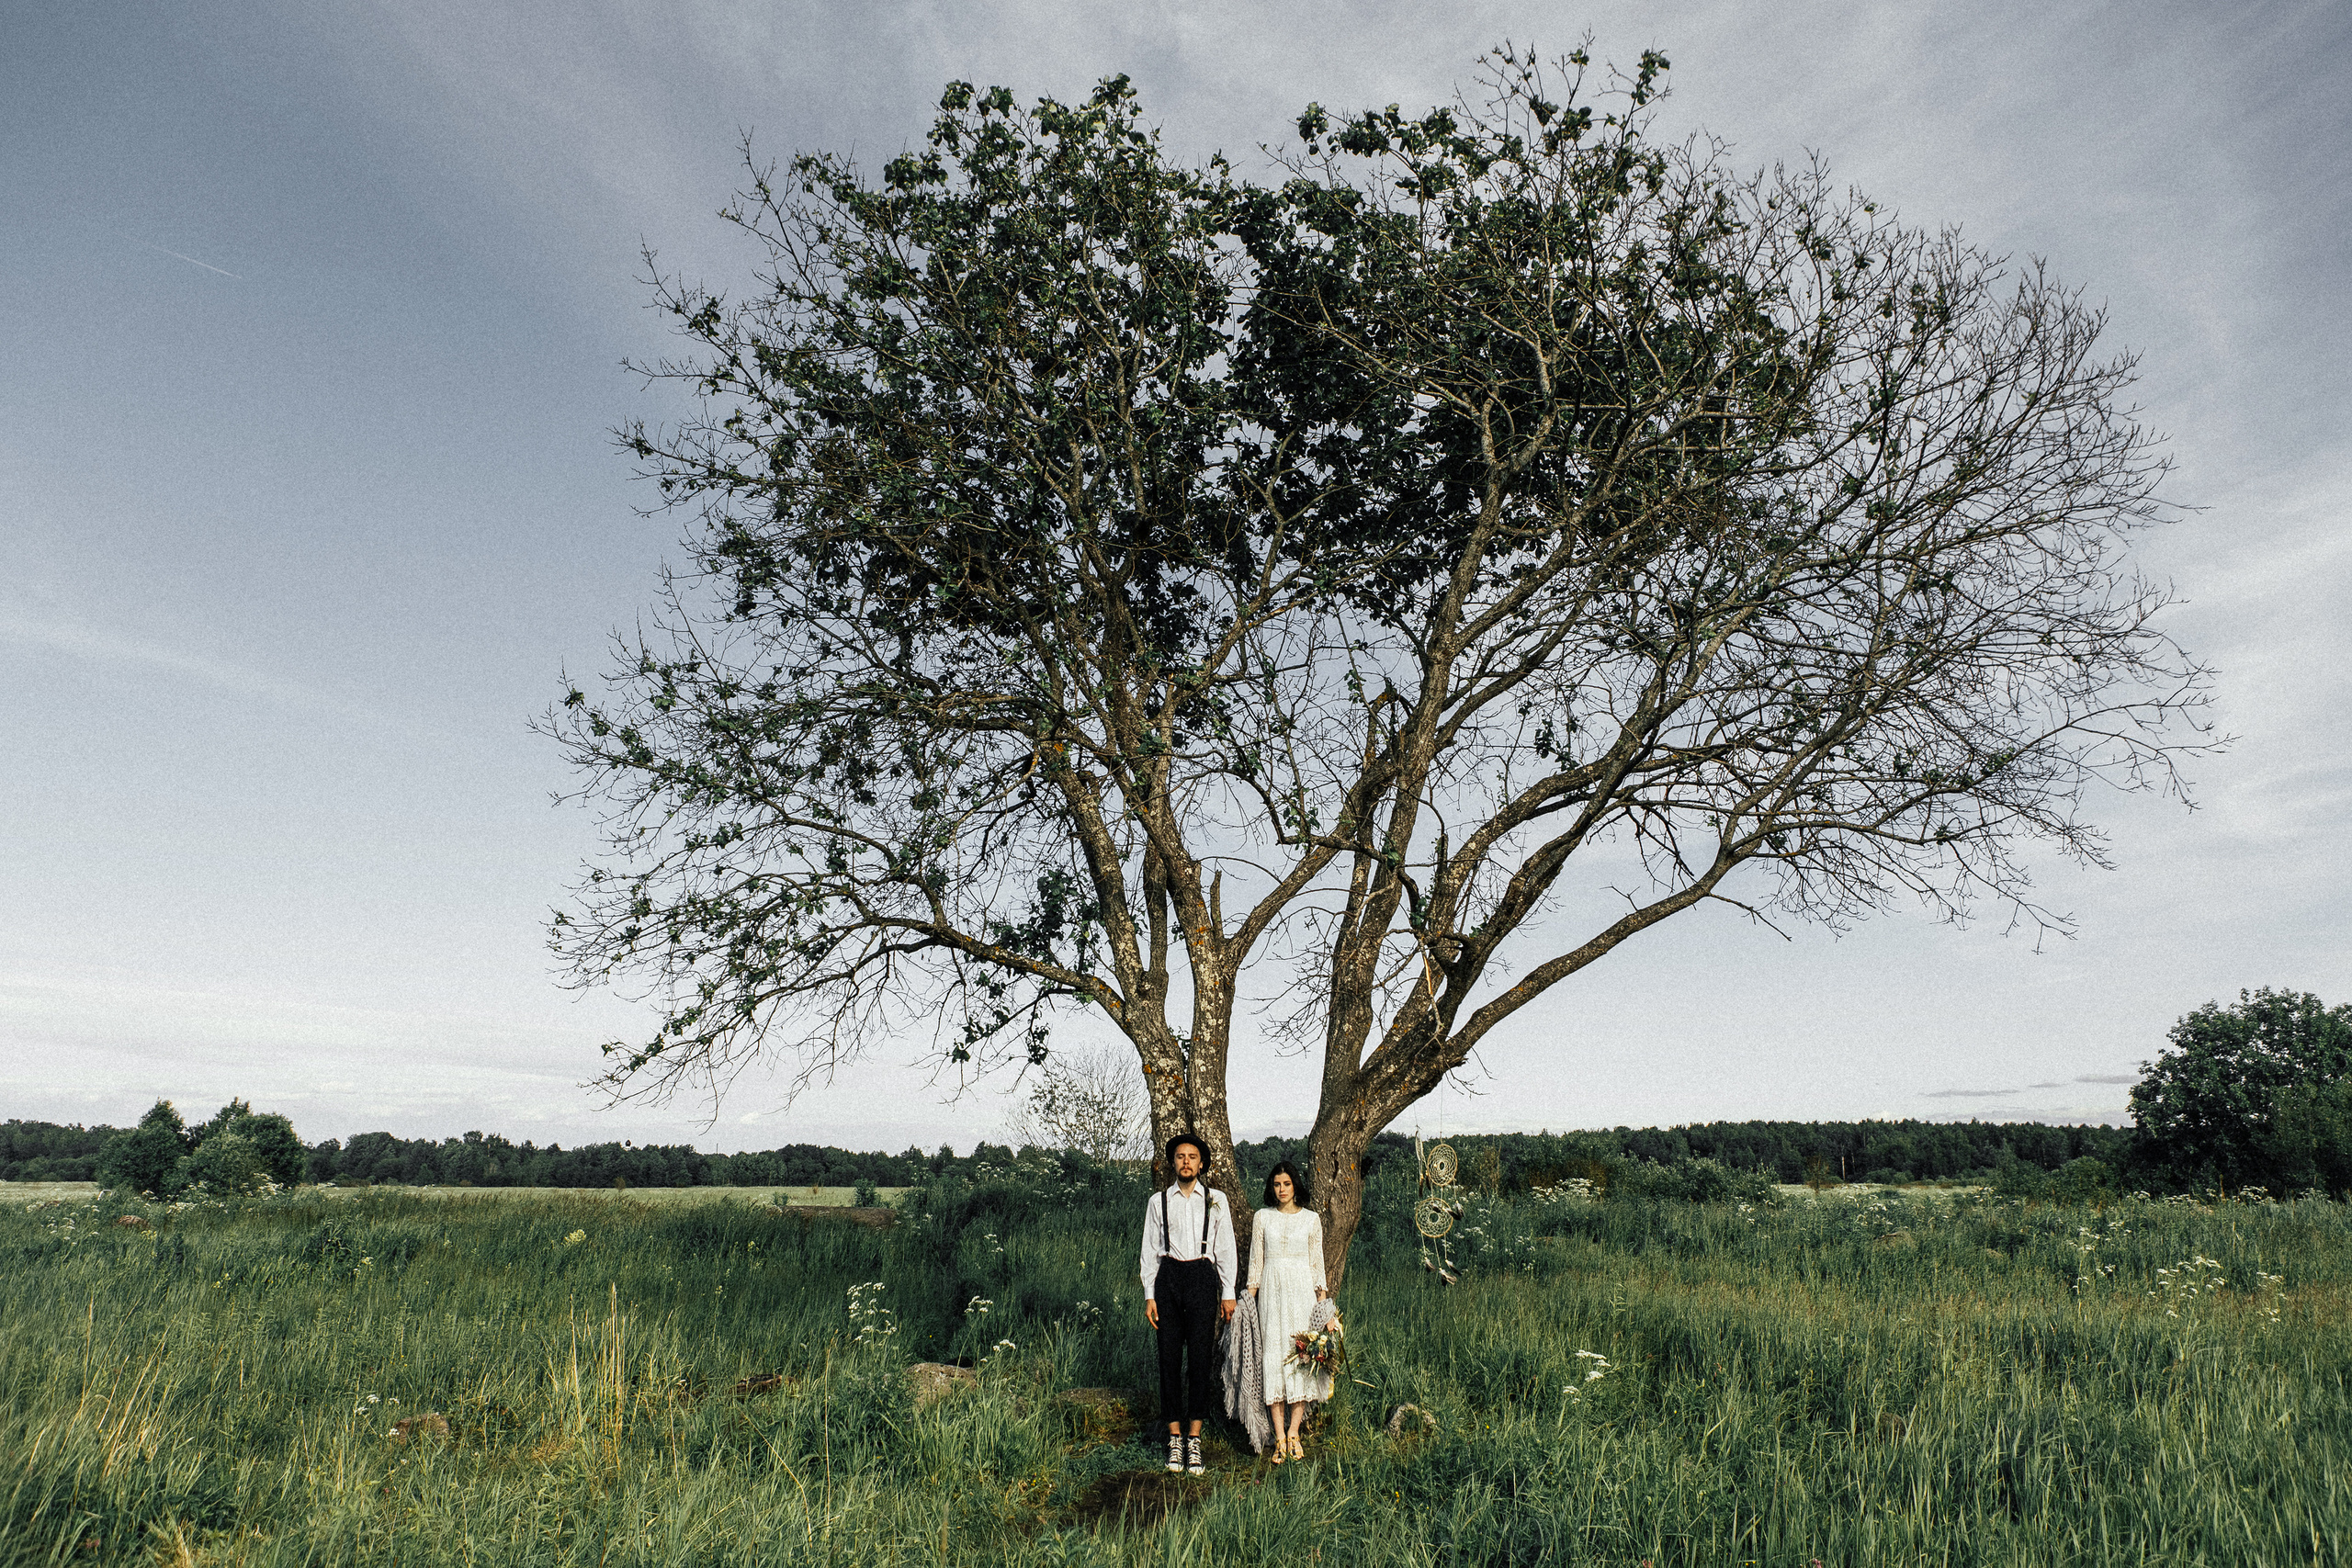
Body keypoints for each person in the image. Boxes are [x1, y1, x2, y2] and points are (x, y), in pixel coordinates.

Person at [1139, 1133, 1236, 1476]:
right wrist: (1150, 1294)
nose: (1186, 1162)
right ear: (1173, 1162)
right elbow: (1149, 1250)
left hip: (1202, 1279)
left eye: (1192, 1157)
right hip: (1168, 1279)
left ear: (1201, 1163)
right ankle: (1174, 1437)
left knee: (1199, 1359)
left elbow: (1226, 1248)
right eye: (1180, 1156)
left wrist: (1228, 1292)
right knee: (1168, 1359)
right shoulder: (1158, 1202)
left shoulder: (1216, 1200)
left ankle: (1194, 1438)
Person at [1247, 1159, 1330, 1461]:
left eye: (1287, 1184)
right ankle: (1279, 1435)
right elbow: (1256, 1264)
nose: (1281, 1190)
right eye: (1276, 1185)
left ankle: (1294, 1432)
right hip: (1271, 1295)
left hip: (1301, 1294)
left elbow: (1317, 1266)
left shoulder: (1311, 1219)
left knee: (1301, 1358)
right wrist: (1247, 1304)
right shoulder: (1262, 1218)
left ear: (1296, 1186)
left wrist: (1324, 1308)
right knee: (1273, 1358)